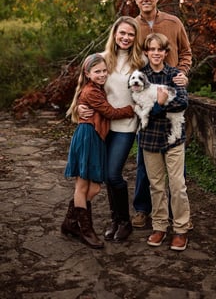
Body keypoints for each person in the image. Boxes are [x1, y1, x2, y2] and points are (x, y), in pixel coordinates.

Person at [78, 17, 145, 242]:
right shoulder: (103, 59)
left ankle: (125, 222)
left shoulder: (140, 61)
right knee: (105, 175)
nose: (125, 38)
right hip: (102, 126)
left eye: (130, 34)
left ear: (135, 37)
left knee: (113, 173)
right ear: (115, 34)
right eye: (122, 33)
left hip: (125, 127)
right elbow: (86, 85)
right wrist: (79, 106)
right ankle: (115, 220)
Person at [132, 0, 192, 228]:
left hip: (170, 88)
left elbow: (186, 52)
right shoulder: (133, 26)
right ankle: (143, 209)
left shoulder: (173, 22)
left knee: (176, 159)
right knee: (145, 160)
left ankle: (177, 215)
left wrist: (183, 73)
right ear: (136, 0)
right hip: (144, 92)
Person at [61, 53, 135, 249]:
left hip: (96, 138)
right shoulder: (91, 92)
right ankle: (86, 230)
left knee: (94, 188)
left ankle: (71, 221)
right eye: (97, 72)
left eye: (104, 71)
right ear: (87, 73)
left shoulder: (97, 88)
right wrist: (133, 108)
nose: (102, 74)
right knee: (82, 187)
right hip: (87, 137)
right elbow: (110, 112)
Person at [139, 33, 190, 251]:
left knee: (177, 186)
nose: (156, 53)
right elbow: (141, 109)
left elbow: (181, 103)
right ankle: (159, 226)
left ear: (166, 53)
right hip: (150, 139)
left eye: (160, 50)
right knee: (156, 186)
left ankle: (180, 229)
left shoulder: (175, 74)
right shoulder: (140, 77)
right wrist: (159, 105)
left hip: (173, 138)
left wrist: (157, 106)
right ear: (146, 52)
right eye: (152, 49)